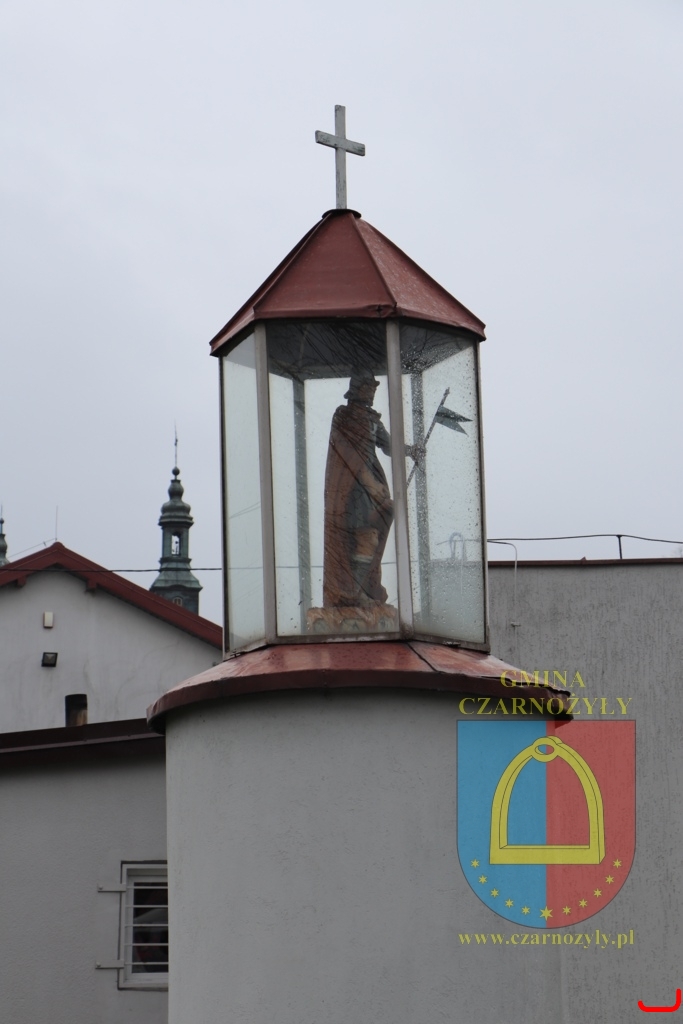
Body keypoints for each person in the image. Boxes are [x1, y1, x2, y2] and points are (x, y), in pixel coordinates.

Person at [323, 369, 394, 608]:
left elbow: (389, 445)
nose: (372, 392)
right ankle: (353, 593)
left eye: (374, 387)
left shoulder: (372, 420)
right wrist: (370, 484)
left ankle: (359, 591)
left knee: (371, 538)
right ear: (357, 389)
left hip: (372, 489)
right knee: (366, 538)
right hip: (353, 490)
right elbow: (348, 454)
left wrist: (410, 450)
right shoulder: (344, 417)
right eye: (368, 387)